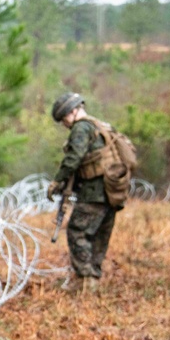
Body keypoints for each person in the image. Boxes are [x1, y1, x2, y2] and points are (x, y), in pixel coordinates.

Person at [46, 92, 121, 293]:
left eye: (64, 119)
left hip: (94, 192)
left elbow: (74, 158)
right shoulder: (99, 125)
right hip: (111, 191)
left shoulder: (81, 128)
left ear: (73, 111)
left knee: (77, 232)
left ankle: (85, 281)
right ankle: (93, 281)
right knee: (98, 235)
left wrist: (57, 180)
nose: (64, 124)